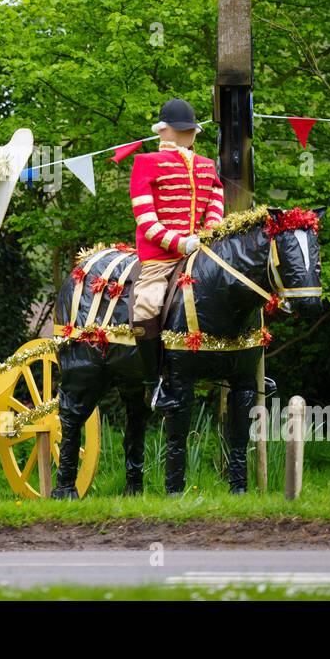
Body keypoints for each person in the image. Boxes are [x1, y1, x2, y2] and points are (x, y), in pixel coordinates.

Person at [128, 98, 225, 495]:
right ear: (164, 131)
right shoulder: (145, 163)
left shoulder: (205, 165)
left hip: (200, 251)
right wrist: (176, 242)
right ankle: (159, 382)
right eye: (180, 130)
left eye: (189, 131)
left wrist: (207, 234)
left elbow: (216, 199)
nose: (186, 136)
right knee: (146, 306)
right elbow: (144, 218)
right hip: (159, 258)